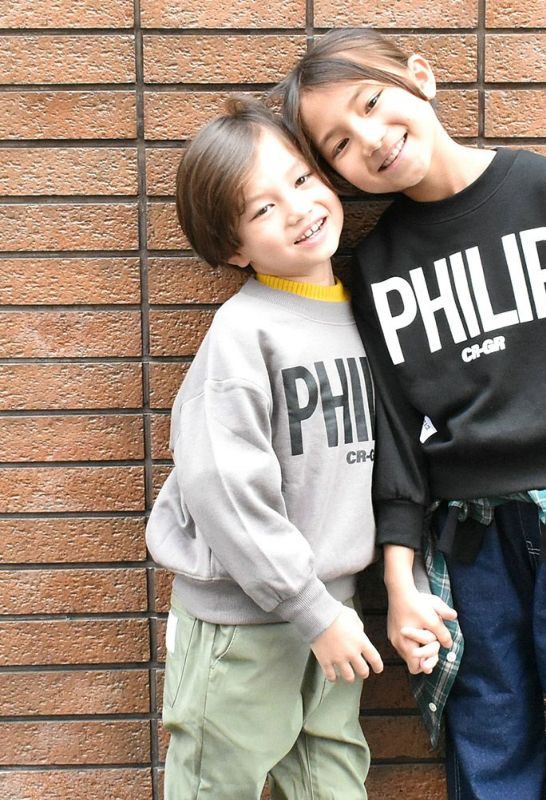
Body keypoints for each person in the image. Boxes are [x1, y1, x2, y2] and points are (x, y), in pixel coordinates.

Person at [278, 30, 546, 800]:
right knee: (487, 741)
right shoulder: (378, 265)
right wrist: (399, 578)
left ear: (421, 77)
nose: (371, 137)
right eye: (340, 143)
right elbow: (393, 438)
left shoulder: (545, 190)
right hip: (466, 548)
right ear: (337, 173)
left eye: (373, 103)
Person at [145, 95, 383, 800]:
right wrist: (310, 609)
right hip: (242, 626)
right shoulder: (243, 334)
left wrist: (338, 607)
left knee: (333, 779)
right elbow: (224, 489)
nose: (299, 208)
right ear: (234, 249)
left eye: (302, 180)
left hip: (335, 612)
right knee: (216, 784)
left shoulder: (361, 317)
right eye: (263, 208)